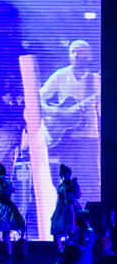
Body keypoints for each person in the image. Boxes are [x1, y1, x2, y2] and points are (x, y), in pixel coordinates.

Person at [40, 40, 100, 204]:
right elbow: (39, 97)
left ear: (88, 56)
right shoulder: (61, 75)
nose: (75, 55)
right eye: (72, 51)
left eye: (79, 52)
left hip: (89, 137)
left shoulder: (95, 80)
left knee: (91, 178)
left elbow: (102, 110)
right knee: (66, 178)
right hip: (65, 137)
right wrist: (56, 111)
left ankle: (91, 216)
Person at [0, 162, 24, 264]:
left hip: (6, 209)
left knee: (6, 235)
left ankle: (8, 257)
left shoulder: (6, 181)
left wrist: (5, 181)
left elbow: (13, 190)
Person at [50, 164, 82, 264]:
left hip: (71, 209)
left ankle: (71, 254)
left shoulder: (72, 183)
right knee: (57, 234)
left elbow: (78, 195)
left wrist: (75, 183)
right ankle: (61, 254)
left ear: (68, 174)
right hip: (61, 210)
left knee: (72, 232)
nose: (62, 175)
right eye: (61, 173)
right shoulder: (61, 185)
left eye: (64, 173)